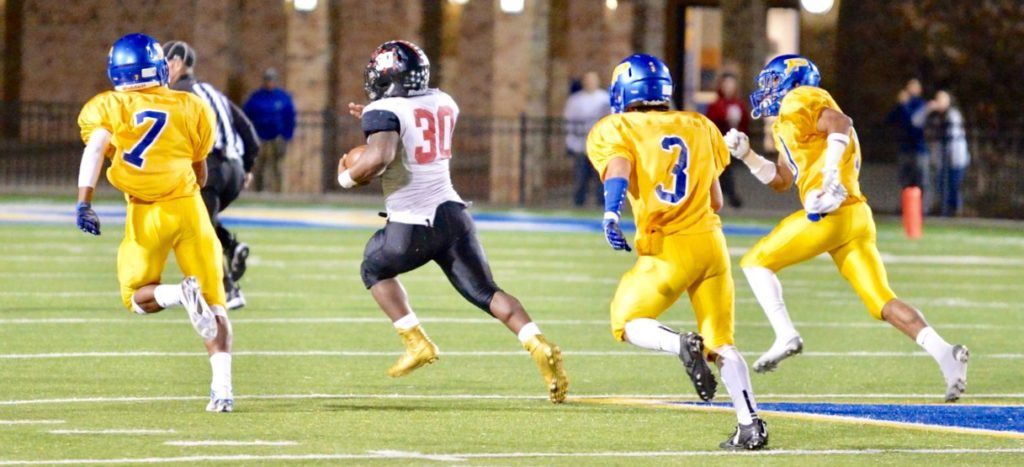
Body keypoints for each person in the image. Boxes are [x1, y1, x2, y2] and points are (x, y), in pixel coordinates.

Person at [727, 55, 969, 402]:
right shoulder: (786, 123)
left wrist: (828, 178)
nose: (767, 90)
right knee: (881, 301)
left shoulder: (802, 98)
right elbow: (781, 180)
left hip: (830, 213)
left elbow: (841, 123)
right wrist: (749, 156)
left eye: (772, 81)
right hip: (855, 215)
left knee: (755, 261)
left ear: (790, 82)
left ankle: (785, 335)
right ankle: (946, 354)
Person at [341, 41, 569, 403]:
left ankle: (416, 342)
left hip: (411, 224)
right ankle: (538, 344)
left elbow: (380, 156)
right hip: (454, 216)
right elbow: (411, 122)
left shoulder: (385, 109)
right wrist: (374, 115)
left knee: (374, 265)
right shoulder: (445, 101)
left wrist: (348, 176)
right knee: (487, 293)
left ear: (386, 76)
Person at [588, 54, 768, 450]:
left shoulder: (617, 126)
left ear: (625, 90)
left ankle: (678, 344)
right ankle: (750, 423)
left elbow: (617, 165)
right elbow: (716, 200)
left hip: (668, 245)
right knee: (721, 341)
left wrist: (610, 212)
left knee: (627, 319)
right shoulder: (700, 125)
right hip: (711, 244)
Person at [74, 33, 235, 412]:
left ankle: (178, 294)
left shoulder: (108, 106)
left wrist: (84, 201)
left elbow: (96, 148)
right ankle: (223, 391)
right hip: (189, 208)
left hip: (146, 212)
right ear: (160, 67)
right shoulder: (189, 104)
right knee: (216, 305)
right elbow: (201, 168)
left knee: (136, 298)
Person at [163, 40, 260, 310]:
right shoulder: (211, 91)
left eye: (164, 64)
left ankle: (228, 290)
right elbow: (249, 132)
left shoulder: (176, 95)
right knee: (200, 220)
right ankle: (230, 245)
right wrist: (248, 166)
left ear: (178, 64)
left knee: (198, 230)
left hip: (209, 169)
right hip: (234, 170)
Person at [243, 68, 296, 192]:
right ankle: (259, 191)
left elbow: (290, 117)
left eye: (272, 79)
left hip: (277, 136)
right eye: (267, 79)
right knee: (260, 164)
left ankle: (278, 191)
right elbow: (246, 115)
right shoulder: (256, 97)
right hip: (260, 136)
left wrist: (287, 135)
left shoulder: (282, 98)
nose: (269, 82)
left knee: (277, 166)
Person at [563, 71, 610, 207]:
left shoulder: (604, 98)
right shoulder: (575, 100)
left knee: (600, 176)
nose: (590, 83)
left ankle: (602, 204)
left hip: (600, 145)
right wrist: (571, 142)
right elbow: (569, 121)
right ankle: (579, 203)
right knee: (580, 177)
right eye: (588, 80)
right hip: (581, 144)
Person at [704, 73, 748, 208]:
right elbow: (710, 123)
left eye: (731, 84)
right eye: (726, 84)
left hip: (734, 144)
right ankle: (730, 196)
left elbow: (745, 124)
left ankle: (728, 195)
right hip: (719, 144)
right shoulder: (716, 105)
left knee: (725, 171)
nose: (728, 87)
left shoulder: (739, 104)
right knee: (721, 170)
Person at [886, 79, 931, 210]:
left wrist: (904, 106)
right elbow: (890, 120)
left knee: (921, 181)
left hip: (919, 148)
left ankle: (922, 210)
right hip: (904, 148)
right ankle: (905, 209)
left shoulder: (921, 104)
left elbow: (913, 123)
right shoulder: (902, 105)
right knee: (905, 181)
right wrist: (900, 105)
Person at [926, 90, 971, 217]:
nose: (939, 102)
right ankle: (945, 210)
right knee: (941, 186)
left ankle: (955, 212)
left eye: (942, 99)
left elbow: (953, 137)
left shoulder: (953, 114)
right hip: (942, 160)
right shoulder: (934, 116)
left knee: (954, 186)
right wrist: (927, 110)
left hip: (956, 159)